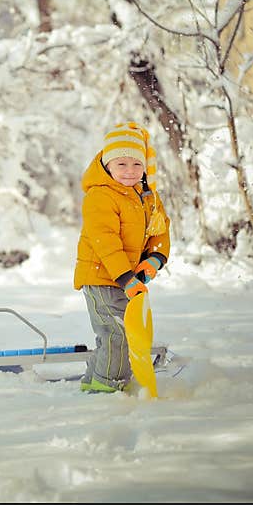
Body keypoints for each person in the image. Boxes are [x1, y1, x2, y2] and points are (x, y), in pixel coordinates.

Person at [73, 121, 171, 393]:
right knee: (116, 333)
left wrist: (155, 259)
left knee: (118, 332)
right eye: (121, 164)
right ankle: (108, 389)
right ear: (106, 165)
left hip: (125, 279)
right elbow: (106, 243)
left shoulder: (146, 196)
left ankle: (94, 381)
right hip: (101, 276)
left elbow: (161, 230)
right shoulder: (100, 197)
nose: (130, 172)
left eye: (136, 164)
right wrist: (126, 278)